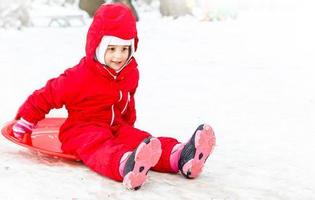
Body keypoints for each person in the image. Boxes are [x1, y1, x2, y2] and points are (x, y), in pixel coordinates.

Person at [10, 3, 216, 190]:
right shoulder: (79, 76)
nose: (119, 56)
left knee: (143, 140)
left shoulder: (130, 72)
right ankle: (125, 164)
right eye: (111, 48)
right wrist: (26, 120)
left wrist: (128, 126)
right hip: (82, 130)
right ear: (97, 46)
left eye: (125, 49)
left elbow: (128, 101)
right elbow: (47, 95)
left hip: (115, 126)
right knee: (99, 145)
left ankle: (181, 156)